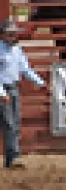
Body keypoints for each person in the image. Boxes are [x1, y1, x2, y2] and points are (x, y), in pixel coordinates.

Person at [0, 19, 47, 169]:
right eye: (10, 34)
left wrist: (41, 83)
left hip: (13, 87)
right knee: (9, 123)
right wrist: (1, 92)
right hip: (3, 88)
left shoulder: (17, 50)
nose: (14, 37)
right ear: (3, 35)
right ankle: (13, 156)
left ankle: (11, 158)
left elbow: (26, 69)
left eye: (14, 34)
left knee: (14, 122)